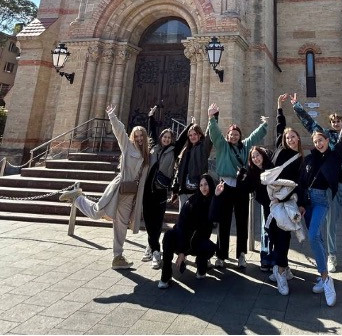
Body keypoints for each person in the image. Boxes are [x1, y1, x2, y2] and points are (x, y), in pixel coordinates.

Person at [60, 104, 149, 269]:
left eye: (141, 136)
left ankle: (118, 257)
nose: (139, 139)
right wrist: (112, 116)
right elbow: (120, 132)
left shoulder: (147, 155)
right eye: (136, 136)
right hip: (118, 188)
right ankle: (78, 198)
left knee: (121, 225)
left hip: (131, 194)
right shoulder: (127, 146)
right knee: (97, 213)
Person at [293, 91, 342, 277]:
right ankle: (332, 257)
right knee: (330, 225)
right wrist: (297, 107)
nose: (336, 123)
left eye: (338, 121)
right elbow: (311, 125)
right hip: (331, 188)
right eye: (333, 121)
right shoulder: (326, 137)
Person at [296, 97, 342, 306]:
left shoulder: (335, 156)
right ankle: (323, 275)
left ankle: (326, 280)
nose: (318, 143)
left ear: (327, 141)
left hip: (321, 201)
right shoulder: (309, 159)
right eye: (315, 141)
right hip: (307, 203)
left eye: (321, 140)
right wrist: (301, 204)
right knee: (317, 239)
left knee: (313, 236)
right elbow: (302, 182)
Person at [208, 103, 267, 268]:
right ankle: (221, 255)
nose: (234, 137)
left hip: (241, 187)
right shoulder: (222, 145)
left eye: (236, 134)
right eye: (231, 134)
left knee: (242, 221)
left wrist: (264, 125)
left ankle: (241, 254)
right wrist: (212, 118)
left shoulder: (245, 146)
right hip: (225, 186)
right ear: (227, 136)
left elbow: (254, 137)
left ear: (240, 136)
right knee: (224, 221)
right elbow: (214, 134)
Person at [267, 93, 304, 296]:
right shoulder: (280, 148)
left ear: (298, 139)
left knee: (283, 235)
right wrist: (279, 107)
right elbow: (280, 127)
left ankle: (281, 271)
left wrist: (301, 203)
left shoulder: (299, 159)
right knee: (274, 233)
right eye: (287, 137)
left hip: (285, 200)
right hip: (271, 198)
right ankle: (284, 266)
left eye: (293, 137)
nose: (289, 139)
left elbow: (300, 184)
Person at [158, 174, 224, 288]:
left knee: (209, 247)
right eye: (201, 185)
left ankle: (201, 267)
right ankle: (166, 276)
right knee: (168, 235)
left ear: (211, 185)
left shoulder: (212, 201)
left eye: (206, 184)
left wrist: (217, 196)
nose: (204, 187)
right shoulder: (192, 202)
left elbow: (215, 217)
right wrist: (182, 251)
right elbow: (182, 227)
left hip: (198, 241)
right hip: (182, 238)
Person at [141, 127, 181, 269]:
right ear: (160, 138)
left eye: (169, 137)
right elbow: (152, 131)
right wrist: (152, 118)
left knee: (157, 221)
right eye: (164, 137)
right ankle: (151, 245)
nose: (166, 139)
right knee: (148, 221)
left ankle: (155, 252)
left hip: (161, 192)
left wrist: (190, 126)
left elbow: (182, 141)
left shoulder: (174, 151)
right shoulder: (154, 149)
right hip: (147, 191)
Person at [172, 117, 213, 211]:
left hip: (196, 191)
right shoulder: (185, 151)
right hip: (183, 192)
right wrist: (175, 187)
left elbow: (209, 136)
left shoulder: (203, 149)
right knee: (183, 218)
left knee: (195, 217)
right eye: (190, 135)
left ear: (200, 135)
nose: (192, 137)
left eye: (195, 134)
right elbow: (179, 170)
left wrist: (212, 118)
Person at [243, 145, 275, 271]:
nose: (256, 158)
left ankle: (275, 258)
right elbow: (248, 188)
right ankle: (265, 258)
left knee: (275, 230)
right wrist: (242, 178)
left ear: (262, 155)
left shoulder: (271, 166)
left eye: (258, 155)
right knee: (266, 229)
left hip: (276, 202)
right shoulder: (252, 171)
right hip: (264, 203)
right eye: (253, 157)